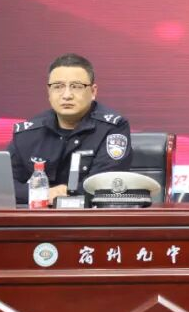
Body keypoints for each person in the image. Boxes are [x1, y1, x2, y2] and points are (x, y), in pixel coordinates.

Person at [6, 53, 132, 205]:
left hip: (91, 216)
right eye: (58, 86)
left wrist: (68, 193)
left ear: (93, 92)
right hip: (39, 217)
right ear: (49, 91)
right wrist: (44, 194)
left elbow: (106, 183)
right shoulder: (29, 133)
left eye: (76, 86)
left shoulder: (112, 128)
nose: (66, 95)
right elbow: (4, 184)